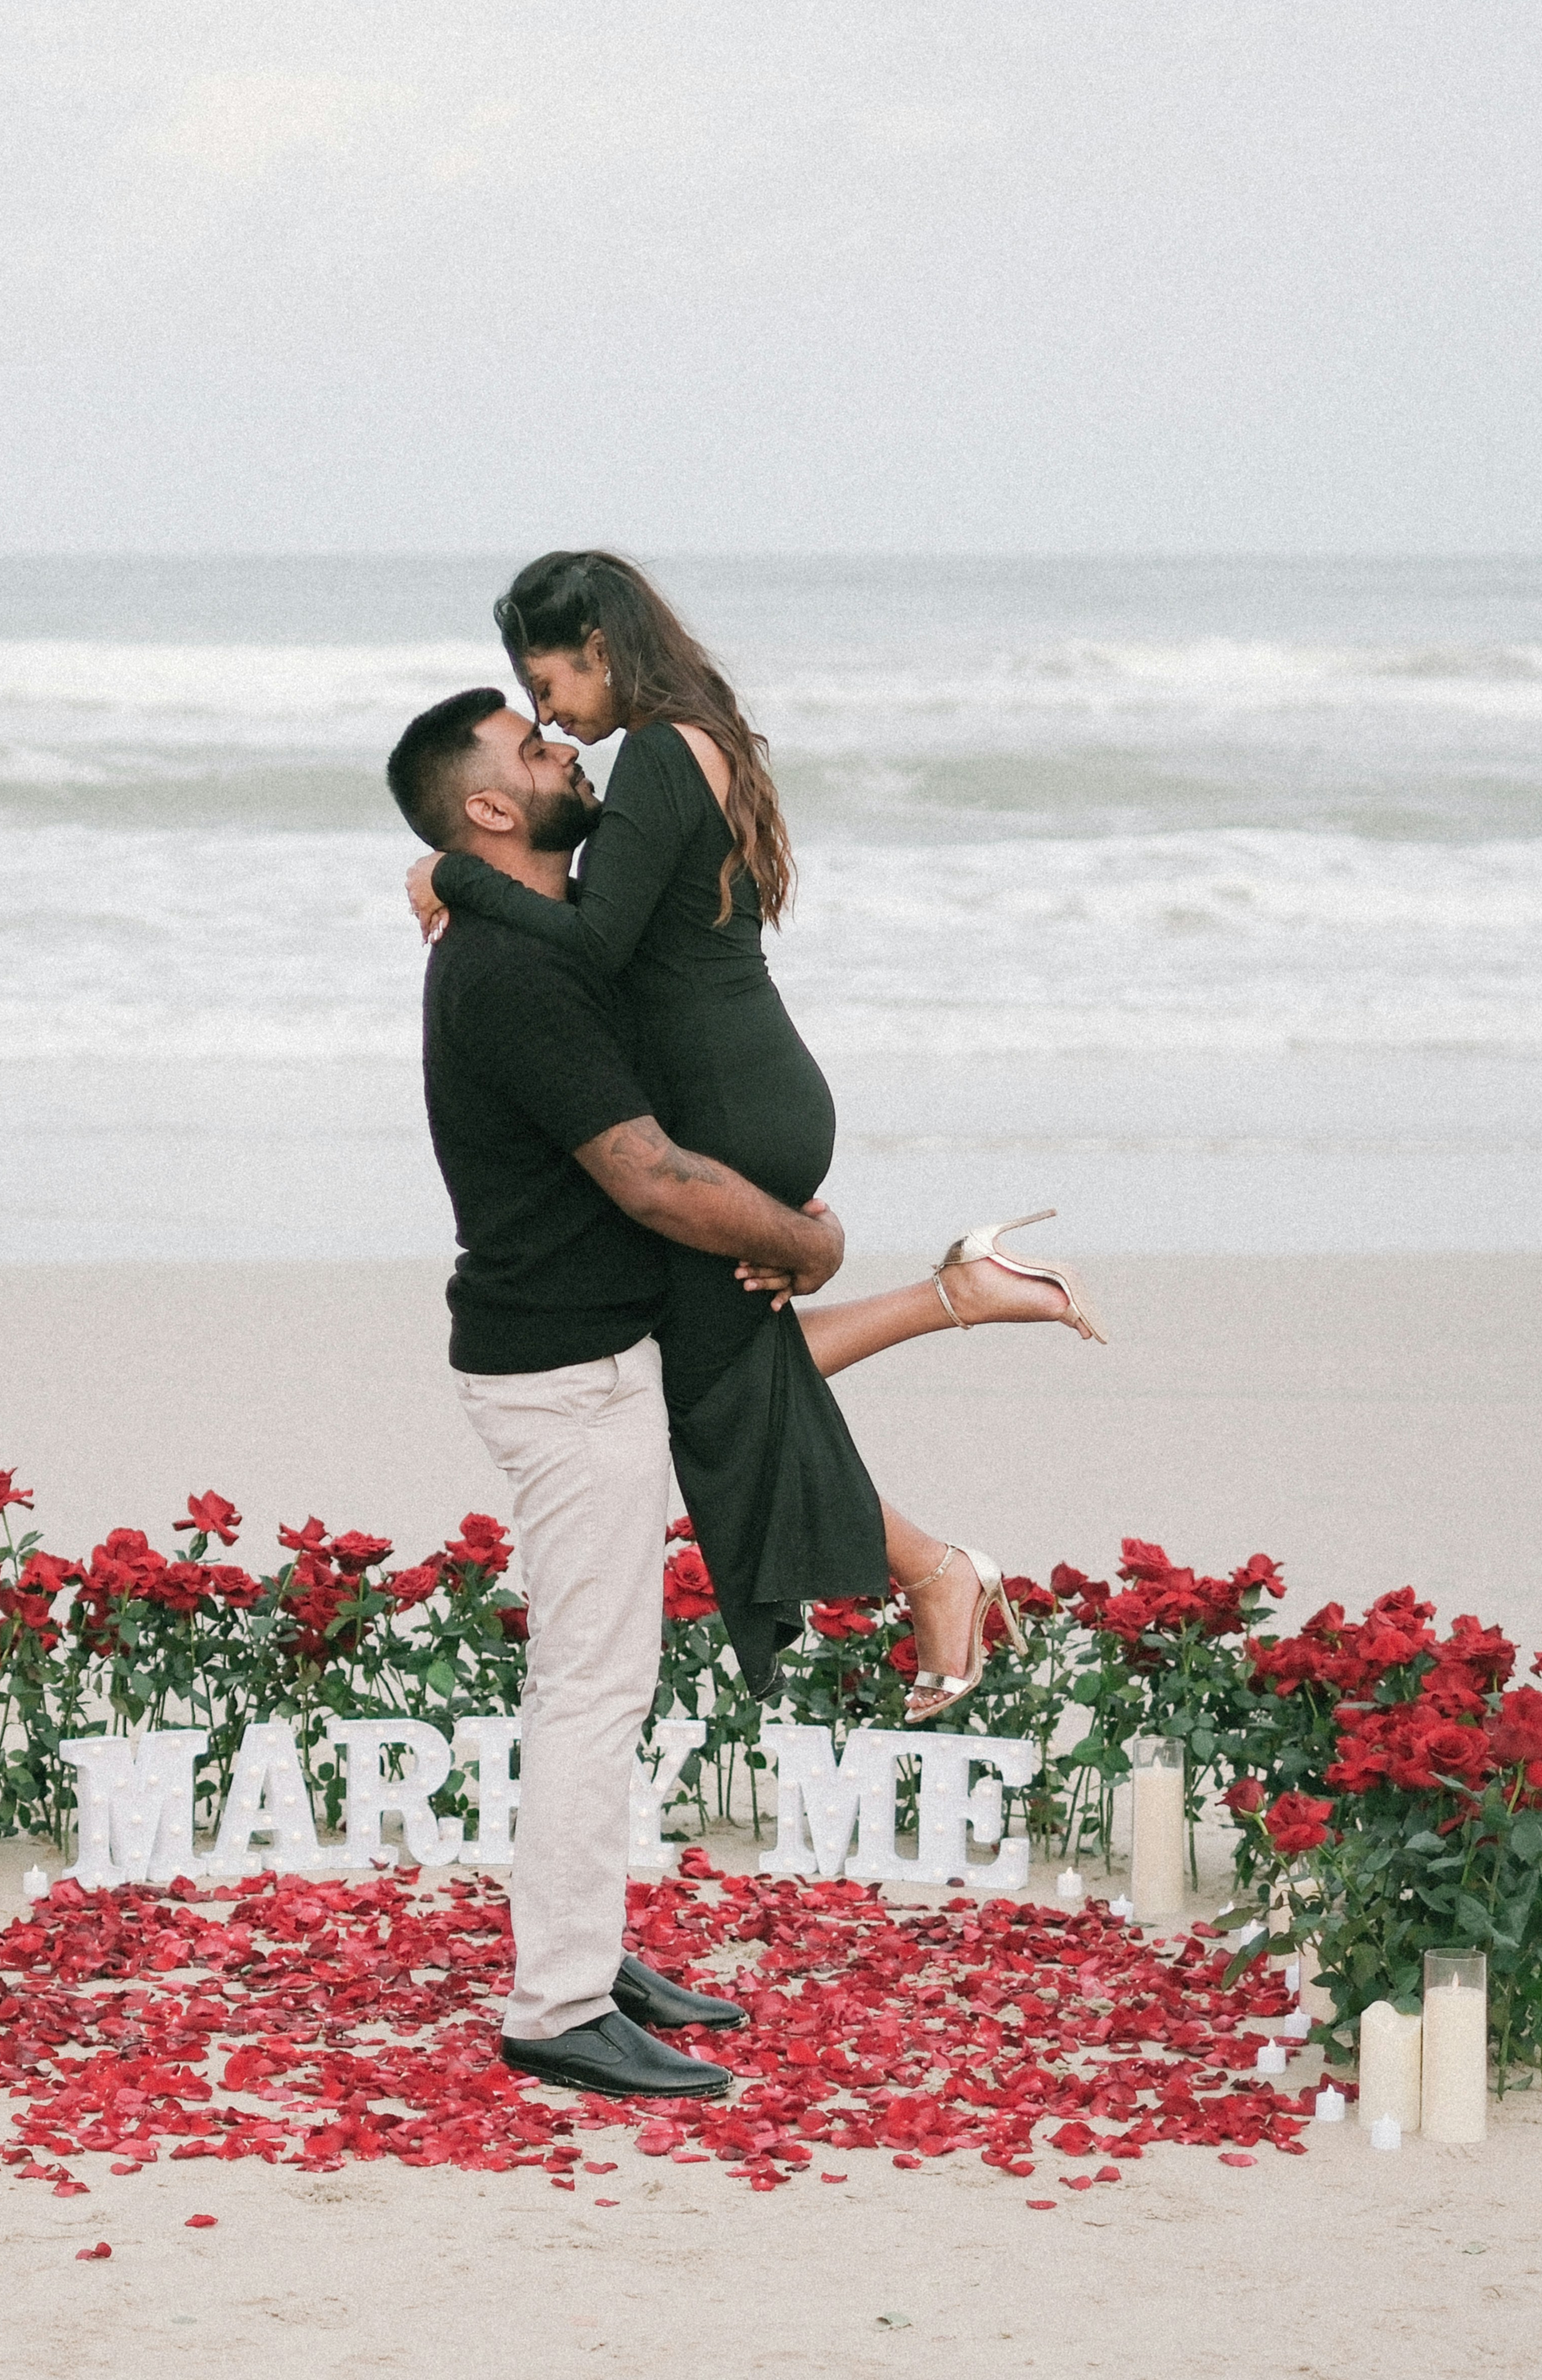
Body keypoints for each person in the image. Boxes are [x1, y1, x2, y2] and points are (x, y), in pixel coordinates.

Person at [408, 551, 1104, 1720]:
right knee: (702, 1380)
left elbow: (584, 948)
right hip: (744, 1089)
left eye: (546, 687)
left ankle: (936, 1564)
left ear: (597, 644)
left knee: (697, 1387)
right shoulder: (688, 739)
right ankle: (960, 1312)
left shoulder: (665, 750)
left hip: (730, 1106)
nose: (549, 718)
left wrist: (451, 874)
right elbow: (609, 926)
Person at [392, 686, 845, 2100]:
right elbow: (644, 1173)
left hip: (582, 1357)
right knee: (588, 1685)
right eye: (534, 750)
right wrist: (805, 1240)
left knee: (604, 1678)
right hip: (559, 1371)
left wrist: (438, 874)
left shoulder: (532, 929)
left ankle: (586, 1944)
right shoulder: (509, 974)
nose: (567, 751)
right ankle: (556, 2002)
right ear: (485, 808)